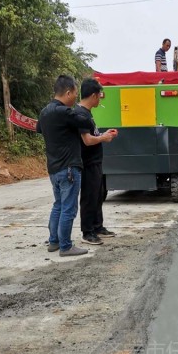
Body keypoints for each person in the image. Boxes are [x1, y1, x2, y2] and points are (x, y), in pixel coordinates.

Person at [36, 75, 92, 256]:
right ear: (68, 92)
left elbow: (38, 129)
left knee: (58, 205)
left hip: (53, 168)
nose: (76, 97)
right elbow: (86, 122)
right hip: (69, 167)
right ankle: (66, 246)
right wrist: (80, 111)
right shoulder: (64, 112)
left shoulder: (44, 112)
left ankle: (54, 242)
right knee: (68, 207)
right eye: (75, 93)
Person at [74, 78, 118, 245]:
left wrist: (104, 134)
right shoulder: (79, 113)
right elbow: (87, 140)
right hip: (87, 162)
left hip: (95, 161)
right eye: (99, 95)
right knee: (89, 196)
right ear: (93, 95)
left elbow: (92, 135)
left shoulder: (87, 113)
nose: (100, 99)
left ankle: (97, 226)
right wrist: (103, 138)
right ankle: (87, 232)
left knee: (98, 195)